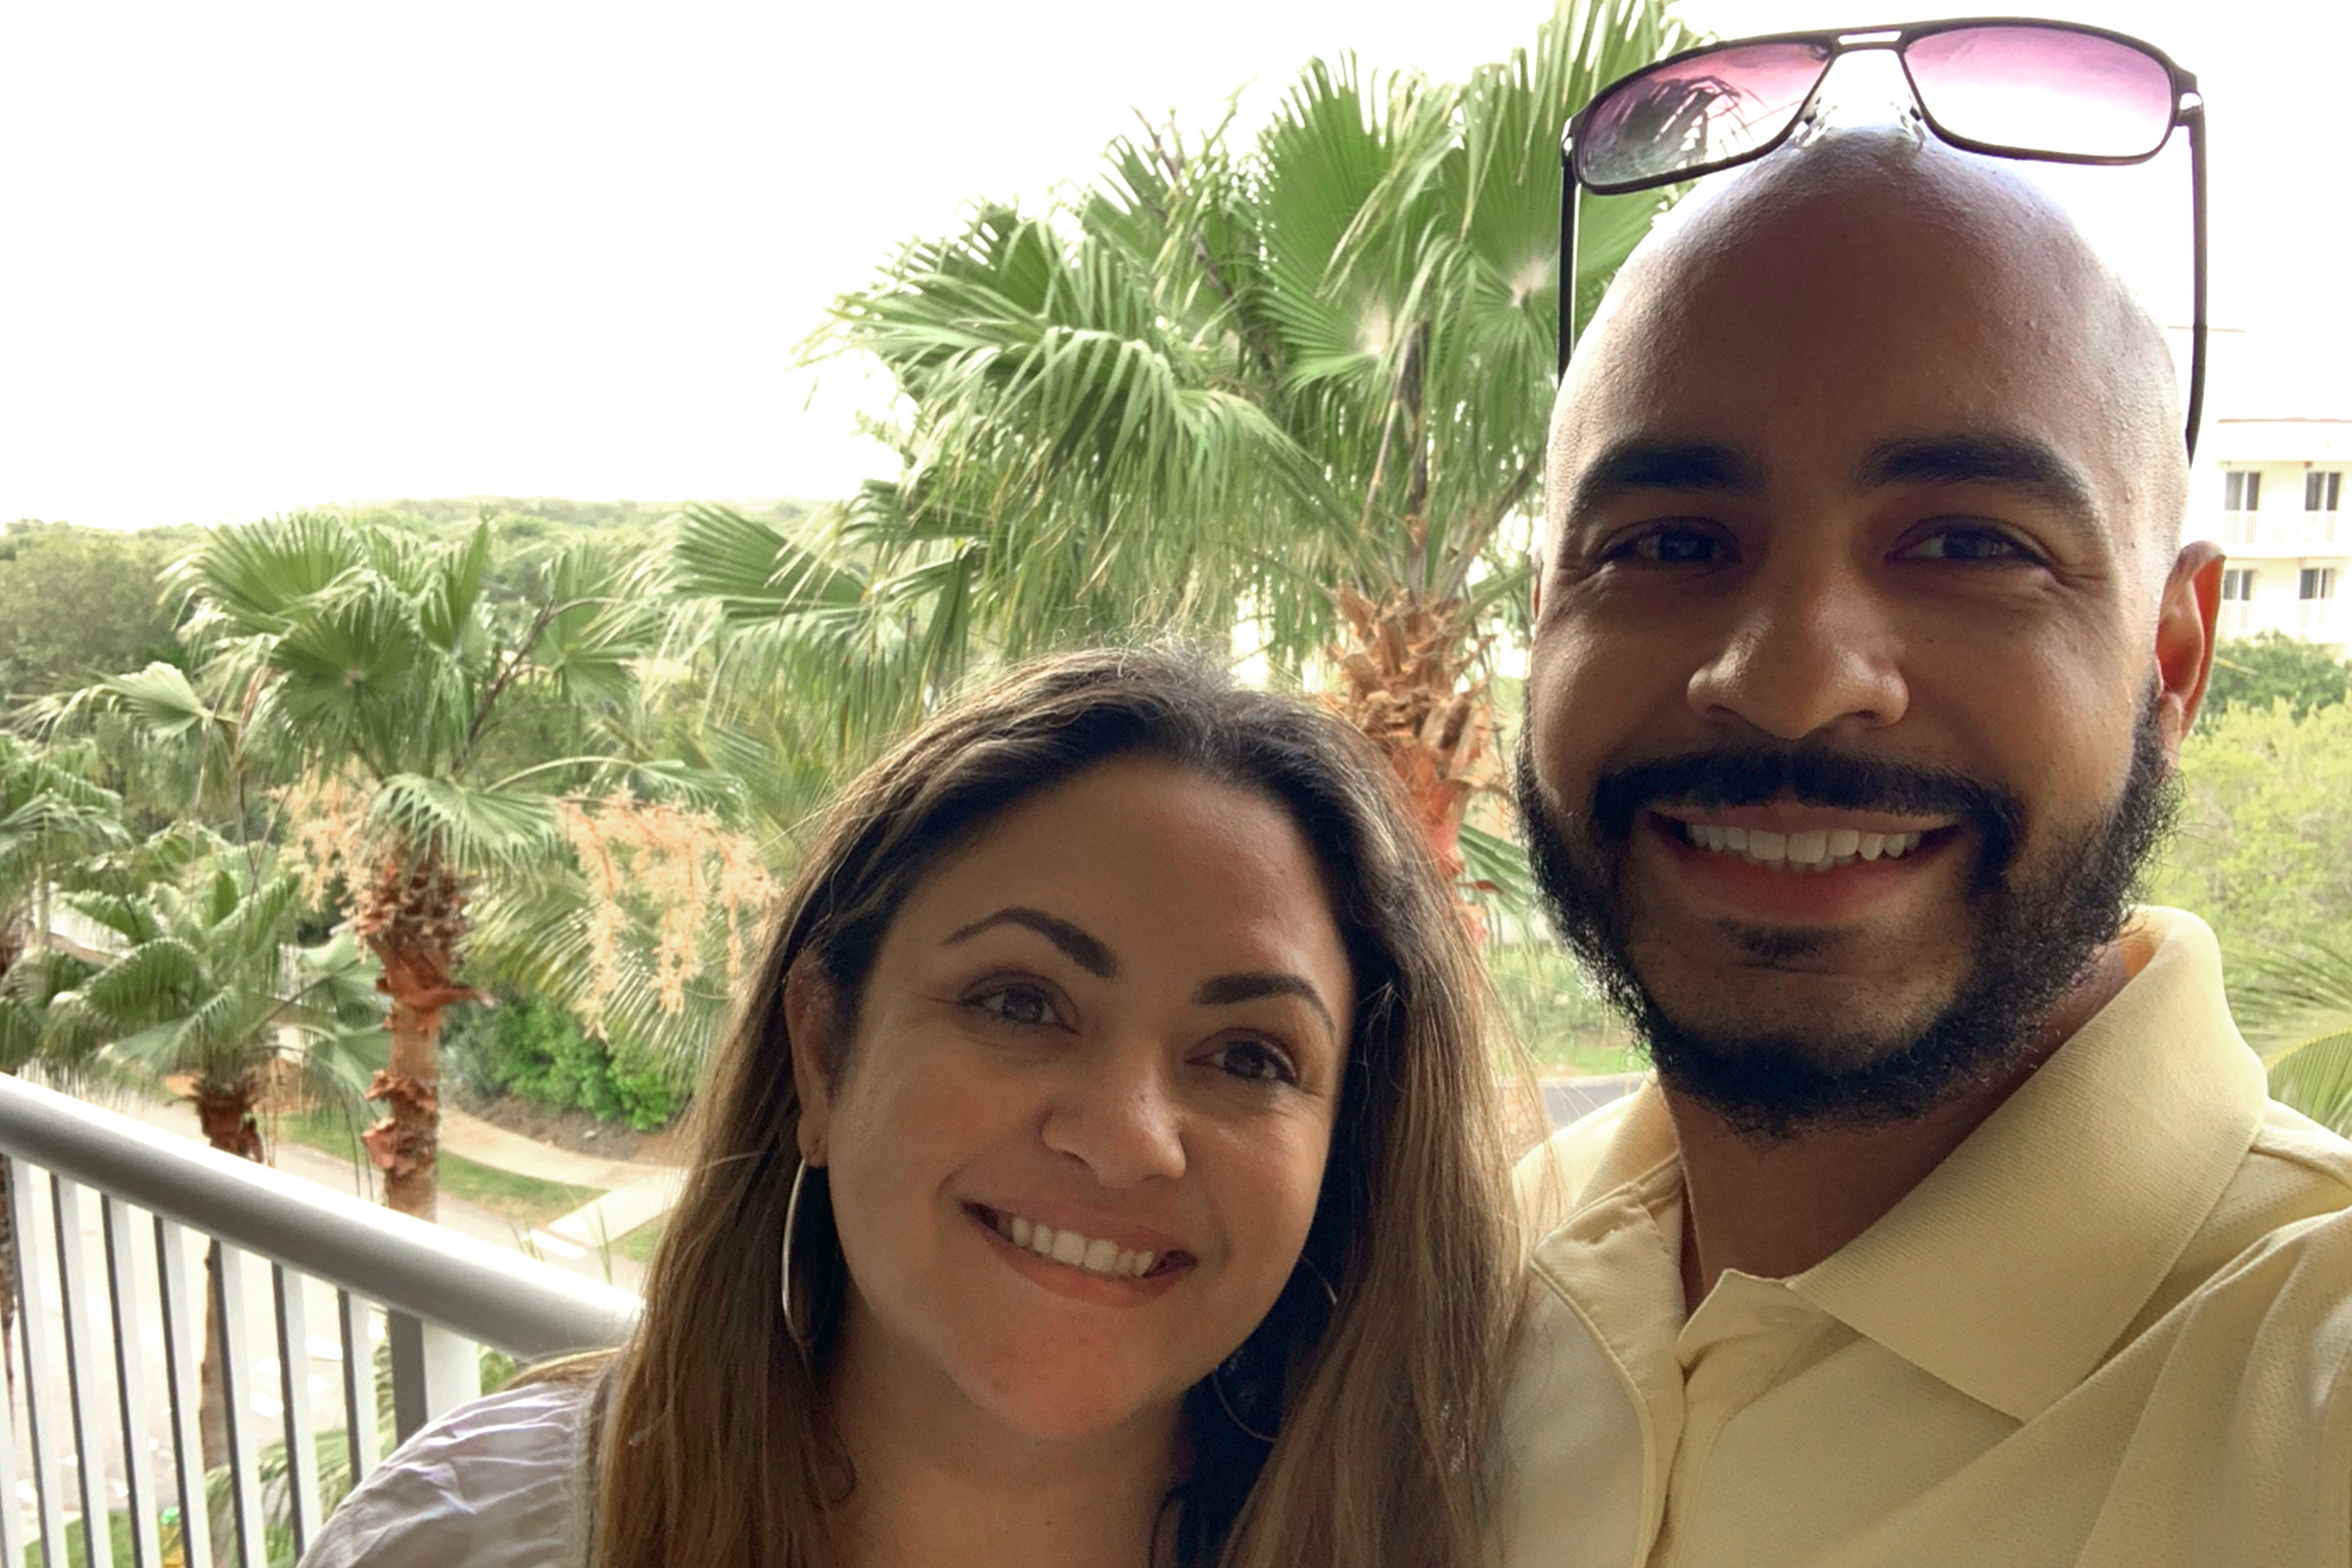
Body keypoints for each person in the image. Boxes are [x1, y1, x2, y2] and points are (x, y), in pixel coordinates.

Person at [1500, 112, 2352, 1568]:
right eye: (1668, 544)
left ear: (2175, 662)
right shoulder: (1463, 1281)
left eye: (1970, 545)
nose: (1790, 677)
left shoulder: (2308, 1386)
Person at [305, 647, 1520, 1568]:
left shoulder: (1498, 1536)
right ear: (824, 1056)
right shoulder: (478, 1537)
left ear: (1344, 1154)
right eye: (1020, 1001)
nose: (1125, 1136)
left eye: (1250, 1057)